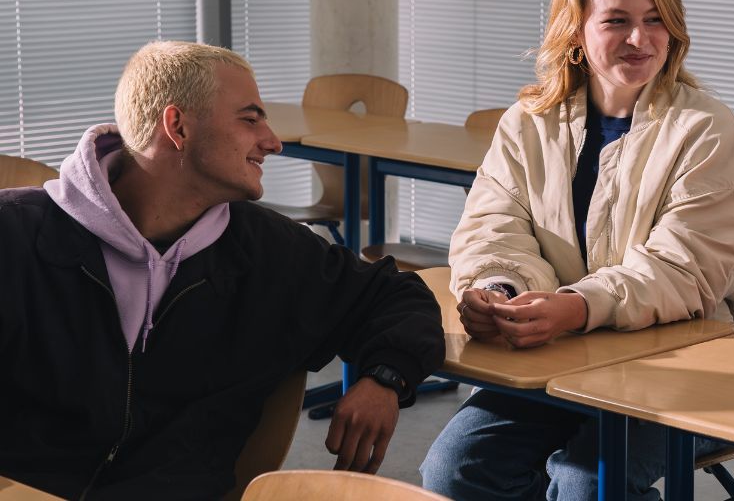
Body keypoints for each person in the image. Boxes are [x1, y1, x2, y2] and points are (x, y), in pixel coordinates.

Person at [0, 41, 446, 499]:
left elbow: (395, 296)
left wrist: (386, 378)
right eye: (250, 119)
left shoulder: (270, 251)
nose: (272, 142)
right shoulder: (15, 235)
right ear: (177, 127)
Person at [419, 0, 734, 501]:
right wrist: (501, 290)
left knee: (589, 482)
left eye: (655, 19)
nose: (641, 39)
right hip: (567, 346)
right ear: (577, 33)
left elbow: (684, 270)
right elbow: (494, 226)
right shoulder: (528, 121)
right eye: (616, 21)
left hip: (683, 351)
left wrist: (578, 306)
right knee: (457, 470)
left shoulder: (705, 128)